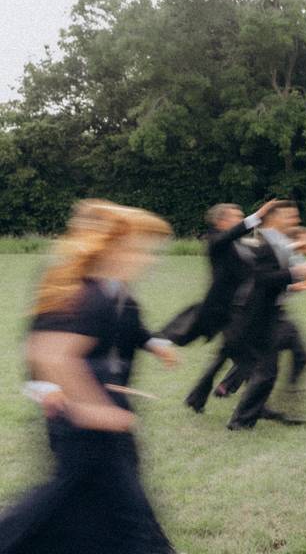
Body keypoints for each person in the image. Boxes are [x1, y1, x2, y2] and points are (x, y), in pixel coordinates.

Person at [0, 200, 178, 554]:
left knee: (95, 504)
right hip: (81, 422)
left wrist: (155, 344)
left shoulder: (118, 294)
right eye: (143, 249)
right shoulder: (81, 293)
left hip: (108, 414)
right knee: (77, 500)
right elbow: (46, 351)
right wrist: (88, 407)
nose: (150, 258)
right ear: (115, 249)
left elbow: (131, 329)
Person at [226, 200, 306, 430]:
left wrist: (299, 276)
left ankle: (250, 414)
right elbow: (261, 279)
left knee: (272, 368)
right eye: (289, 216)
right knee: (265, 371)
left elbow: (279, 275)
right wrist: (294, 272)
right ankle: (240, 420)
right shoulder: (260, 241)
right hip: (256, 315)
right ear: (274, 218)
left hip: (271, 314)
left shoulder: (279, 242)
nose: (294, 220)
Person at [160, 199, 277, 347]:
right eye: (237, 217)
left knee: (240, 350)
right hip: (221, 307)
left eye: (242, 217)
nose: (240, 220)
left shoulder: (239, 242)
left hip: (241, 307)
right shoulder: (215, 240)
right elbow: (231, 234)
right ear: (221, 221)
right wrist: (258, 215)